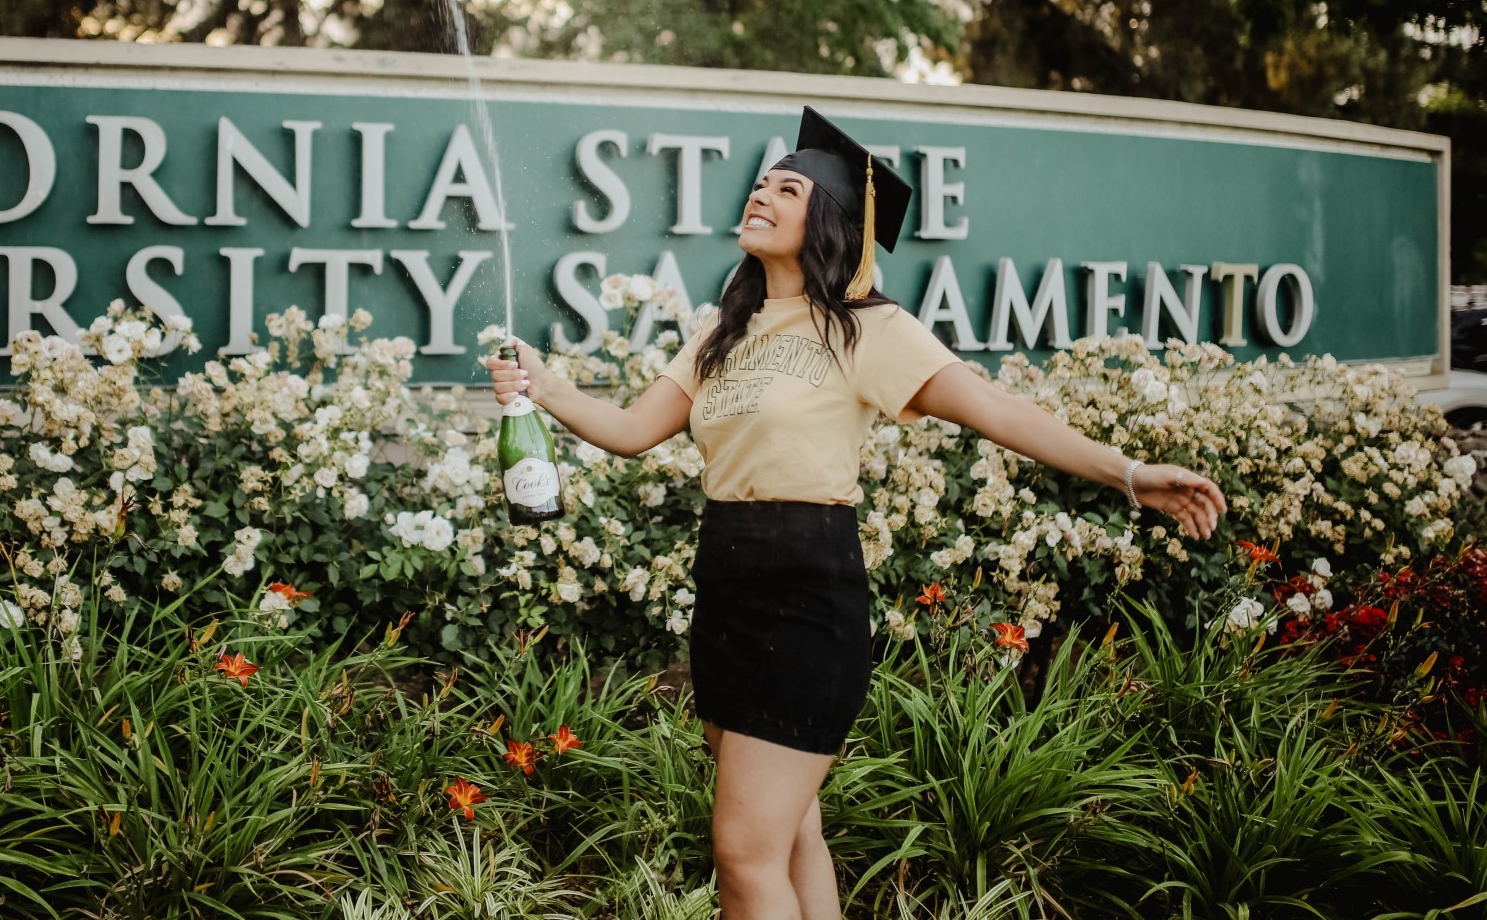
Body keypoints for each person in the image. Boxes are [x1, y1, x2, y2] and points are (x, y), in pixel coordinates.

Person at [483, 105, 1230, 920]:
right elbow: (631, 431)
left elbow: (994, 408)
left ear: (829, 219)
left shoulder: (867, 330)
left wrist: (1128, 473)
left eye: (788, 187)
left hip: (807, 594)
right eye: (761, 182)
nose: (762, 194)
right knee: (793, 833)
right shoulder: (721, 333)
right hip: (725, 587)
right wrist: (543, 386)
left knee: (743, 849)